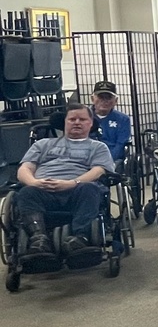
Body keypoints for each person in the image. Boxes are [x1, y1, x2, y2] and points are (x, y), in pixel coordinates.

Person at [16, 103, 116, 263]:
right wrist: (33, 182)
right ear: (65, 122)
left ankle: (80, 238)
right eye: (72, 119)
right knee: (25, 192)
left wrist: (72, 183)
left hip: (77, 191)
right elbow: (24, 169)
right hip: (43, 190)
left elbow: (98, 171)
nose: (77, 122)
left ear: (90, 123)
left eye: (82, 119)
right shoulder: (42, 144)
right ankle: (39, 239)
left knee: (90, 188)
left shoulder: (98, 147)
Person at [90, 80, 131, 162]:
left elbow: (120, 145)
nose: (104, 101)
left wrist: (106, 161)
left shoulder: (123, 119)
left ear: (115, 101)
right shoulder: (83, 117)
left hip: (112, 159)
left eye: (108, 97)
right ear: (92, 99)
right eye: (101, 97)